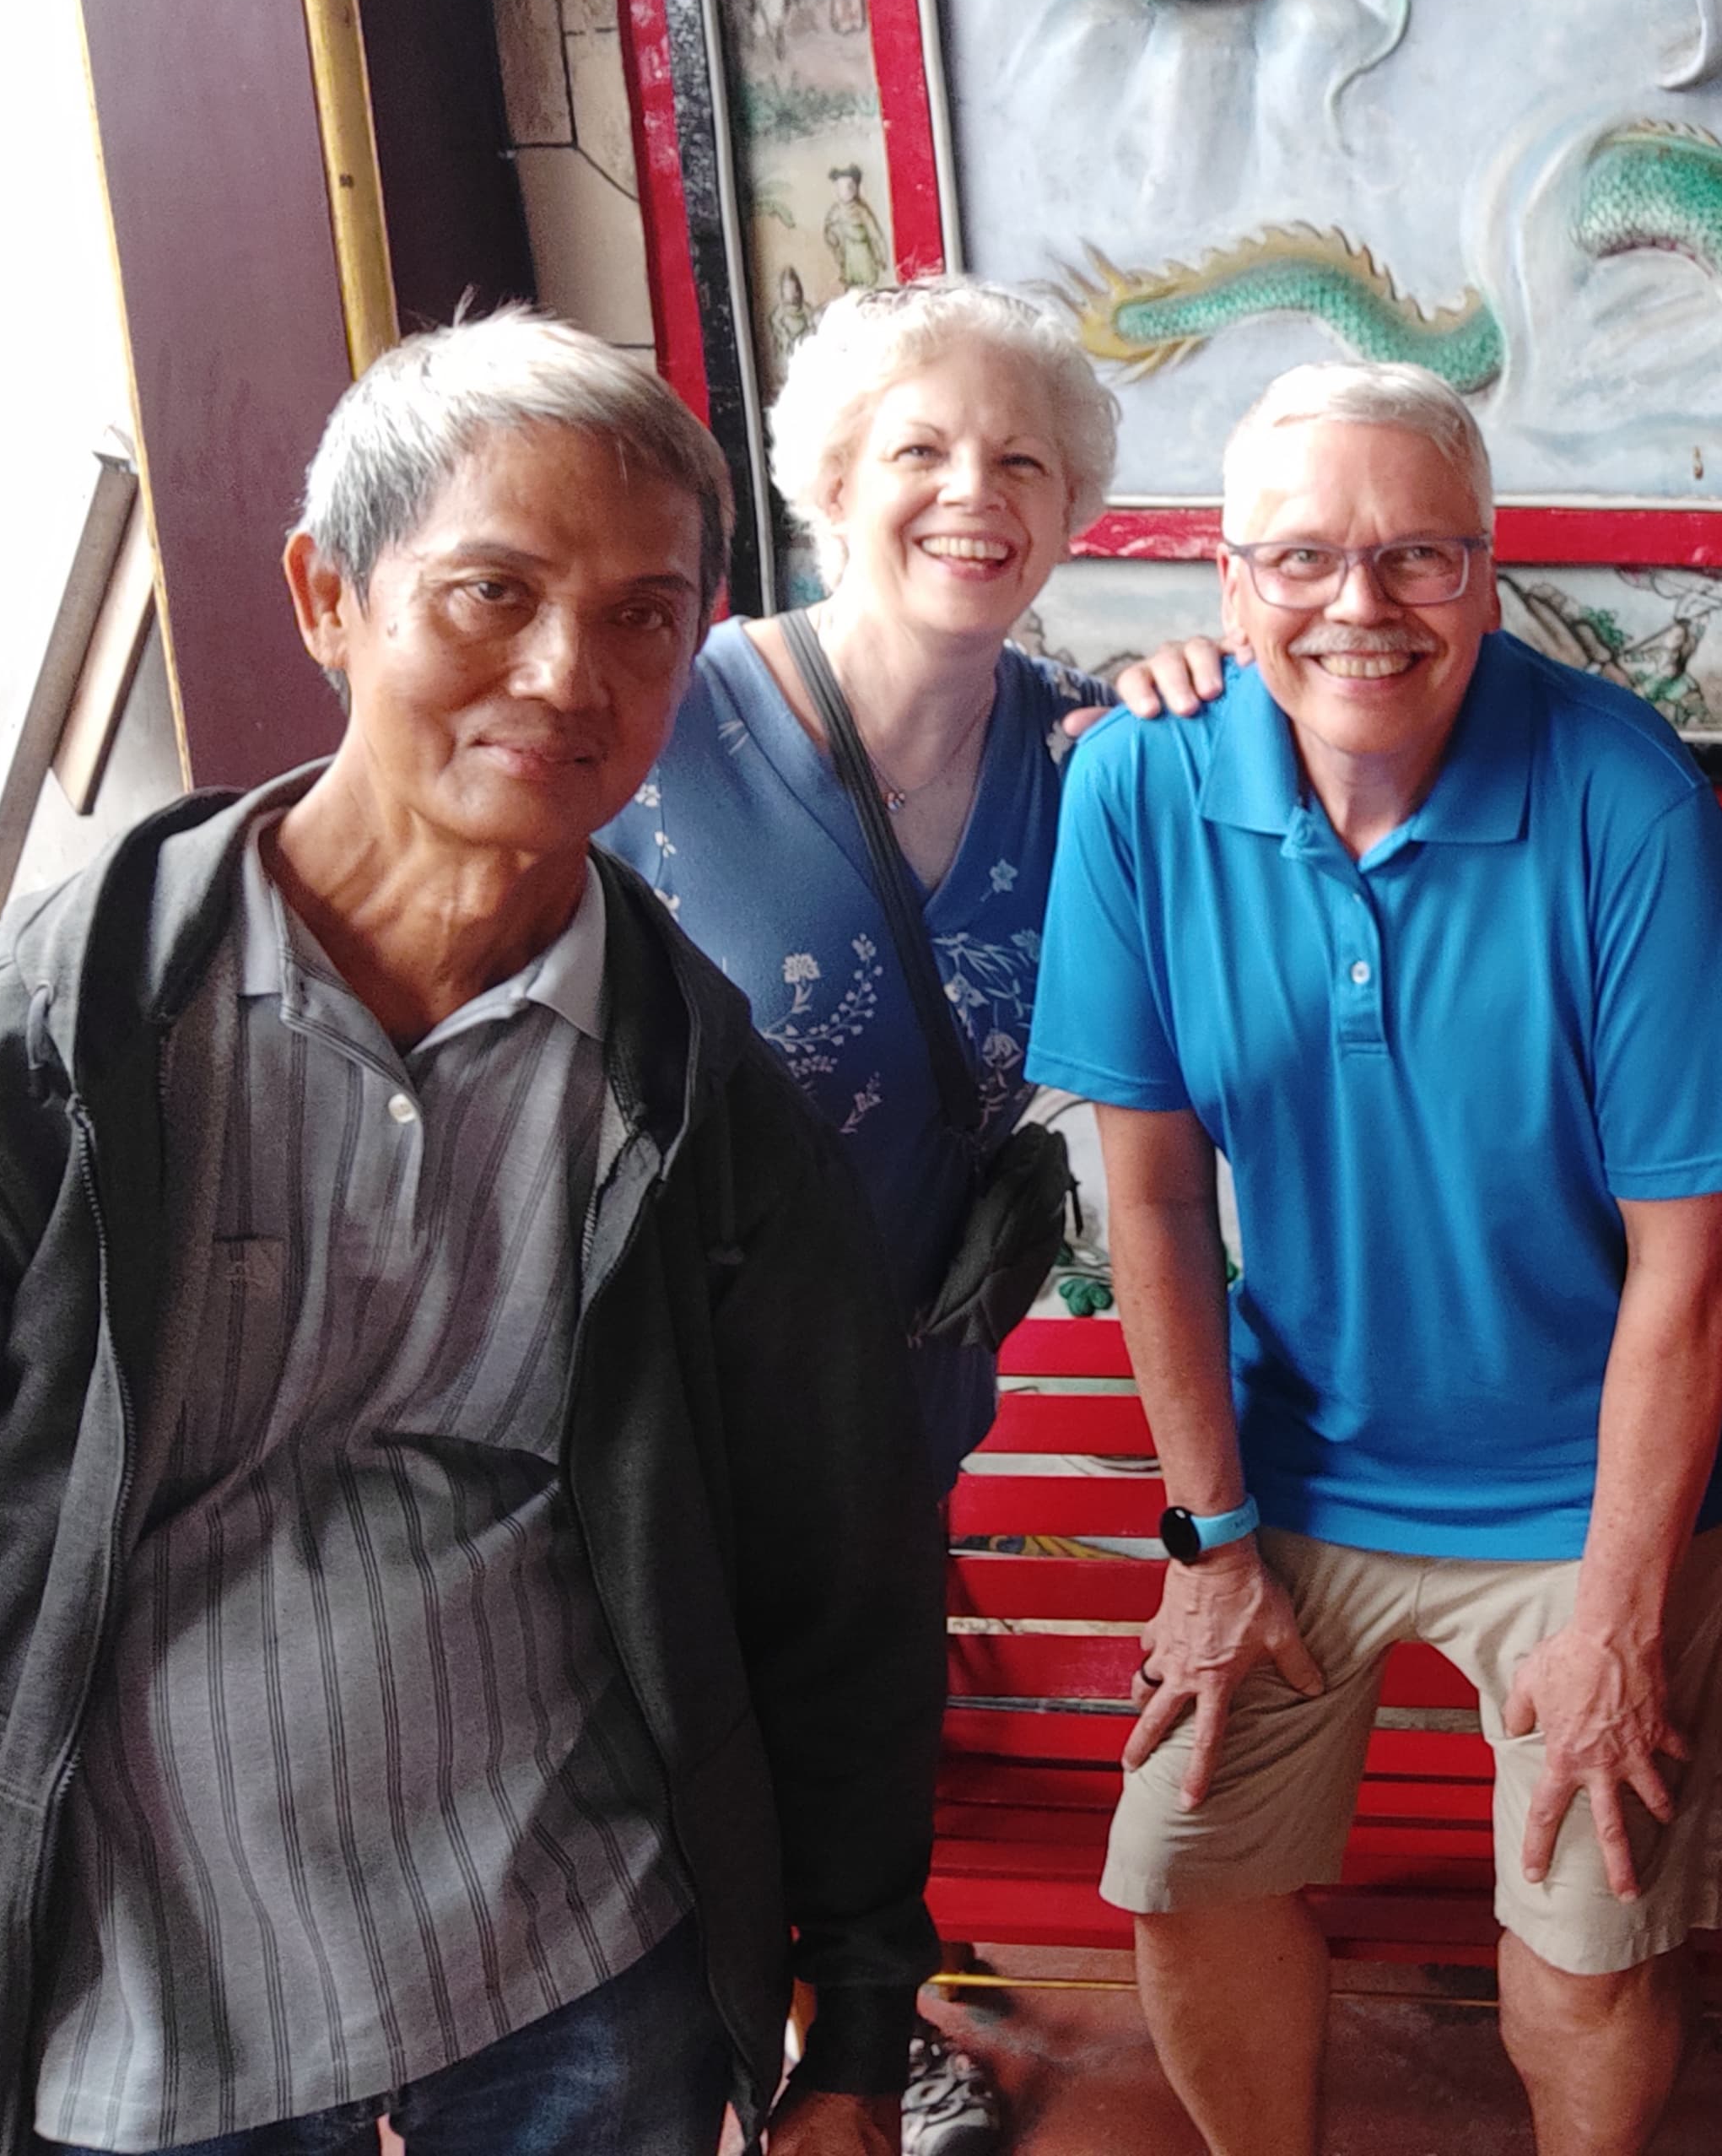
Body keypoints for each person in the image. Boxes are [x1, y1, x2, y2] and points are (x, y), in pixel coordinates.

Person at [0, 315, 941, 2156]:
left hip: (574, 1972)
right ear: (326, 596)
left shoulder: (707, 1118)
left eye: (641, 615)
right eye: (490, 592)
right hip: (140, 2002)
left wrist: (853, 2026)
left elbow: (835, 1588)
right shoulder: (16, 1073)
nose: (563, 672)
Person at [1026, 361, 1722, 2156]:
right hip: (1294, 1467)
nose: (1358, 608)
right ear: (1228, 584)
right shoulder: (1137, 786)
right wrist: (1207, 1540)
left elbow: (1697, 1263)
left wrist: (1617, 1608)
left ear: (1489, 565)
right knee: (1185, 1869)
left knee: (1586, 1937)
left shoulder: (1620, 796)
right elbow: (1147, 1203)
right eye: (1300, 561)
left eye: (1418, 558)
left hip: (1590, 1487)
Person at [600, 278, 1218, 2156]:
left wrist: (1220, 696)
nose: (974, 491)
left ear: (1072, 511)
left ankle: (860, 2036)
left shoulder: (1085, 759)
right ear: (827, 483)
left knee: (851, 1733)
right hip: (649, 1375)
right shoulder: (669, 715)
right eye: (921, 451)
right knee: (659, 1749)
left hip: (901, 1373)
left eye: (1020, 459)